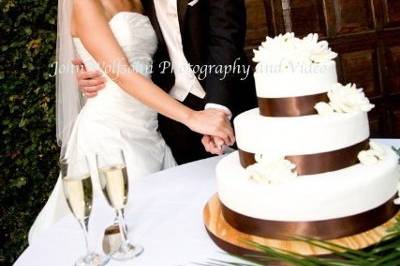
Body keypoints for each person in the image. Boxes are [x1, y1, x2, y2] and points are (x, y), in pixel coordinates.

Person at [29, 0, 236, 243]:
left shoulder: (140, 1)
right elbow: (122, 73)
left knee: (166, 227)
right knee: (127, 228)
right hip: (110, 132)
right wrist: (192, 117)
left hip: (151, 129)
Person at [75, 0, 257, 164]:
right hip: (159, 122)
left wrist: (216, 110)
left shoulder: (135, 2)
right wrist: (96, 66)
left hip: (225, 101)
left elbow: (225, 40)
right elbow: (120, 70)